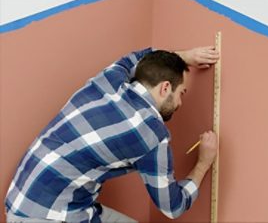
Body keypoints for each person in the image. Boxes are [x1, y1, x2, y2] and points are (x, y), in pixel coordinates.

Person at [5, 46, 220, 223]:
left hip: (26, 198)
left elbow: (134, 59)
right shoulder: (151, 134)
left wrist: (182, 57)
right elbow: (173, 207)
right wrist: (203, 163)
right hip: (47, 216)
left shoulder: (110, 79)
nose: (181, 103)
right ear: (165, 88)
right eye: (181, 92)